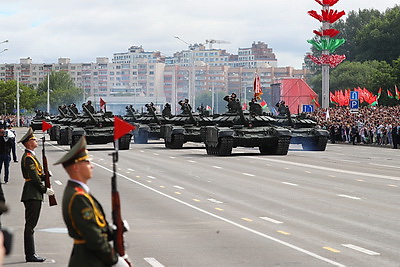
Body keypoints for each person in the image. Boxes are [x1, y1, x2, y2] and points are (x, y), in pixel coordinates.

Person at [55, 137, 129, 267]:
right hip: (88, 260)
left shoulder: (79, 192)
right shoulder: (78, 197)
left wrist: (113, 231)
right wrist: (115, 260)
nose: (92, 165)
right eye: (87, 162)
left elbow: (94, 227)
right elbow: (94, 238)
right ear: (76, 167)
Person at [18, 127, 55, 262]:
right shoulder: (28, 158)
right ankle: (30, 254)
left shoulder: (32, 156)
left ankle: (31, 254)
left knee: (31, 225)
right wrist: (45, 189)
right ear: (28, 143)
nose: (36, 140)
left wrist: (45, 176)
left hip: (34, 193)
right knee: (30, 226)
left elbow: (38, 175)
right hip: (32, 194)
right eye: (33, 139)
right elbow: (33, 179)